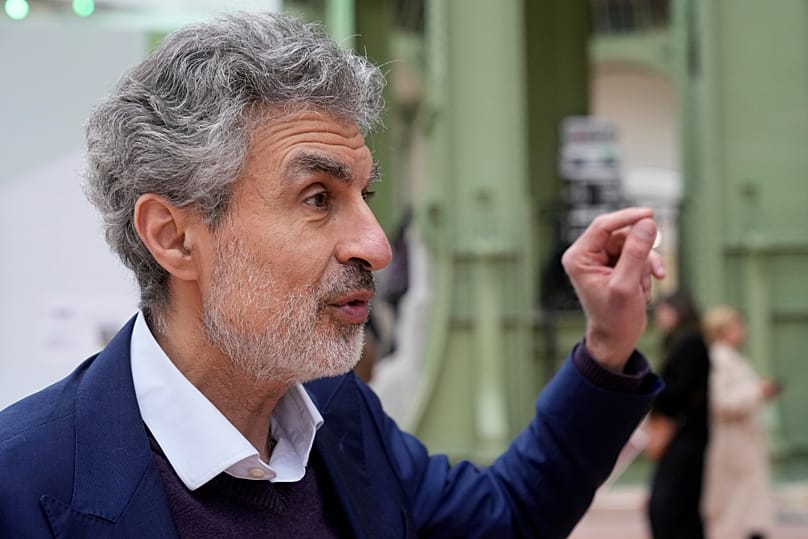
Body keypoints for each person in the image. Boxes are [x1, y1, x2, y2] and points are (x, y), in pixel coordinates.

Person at [0, 12, 665, 538]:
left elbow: (505, 519)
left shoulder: (337, 414)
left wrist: (606, 346)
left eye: (364, 197)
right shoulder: (24, 483)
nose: (377, 245)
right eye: (318, 197)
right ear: (174, 237)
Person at [702, 305, 780, 539]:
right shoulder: (719, 358)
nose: (741, 331)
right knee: (734, 504)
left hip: (745, 440)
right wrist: (757, 392)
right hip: (732, 441)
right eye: (735, 326)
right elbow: (720, 402)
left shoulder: (733, 357)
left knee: (747, 502)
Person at [646, 290, 711, 539]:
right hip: (687, 433)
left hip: (684, 434)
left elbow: (681, 390)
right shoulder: (686, 342)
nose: (659, 319)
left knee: (669, 506)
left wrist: (652, 390)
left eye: (663, 312)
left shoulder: (689, 344)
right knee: (680, 506)